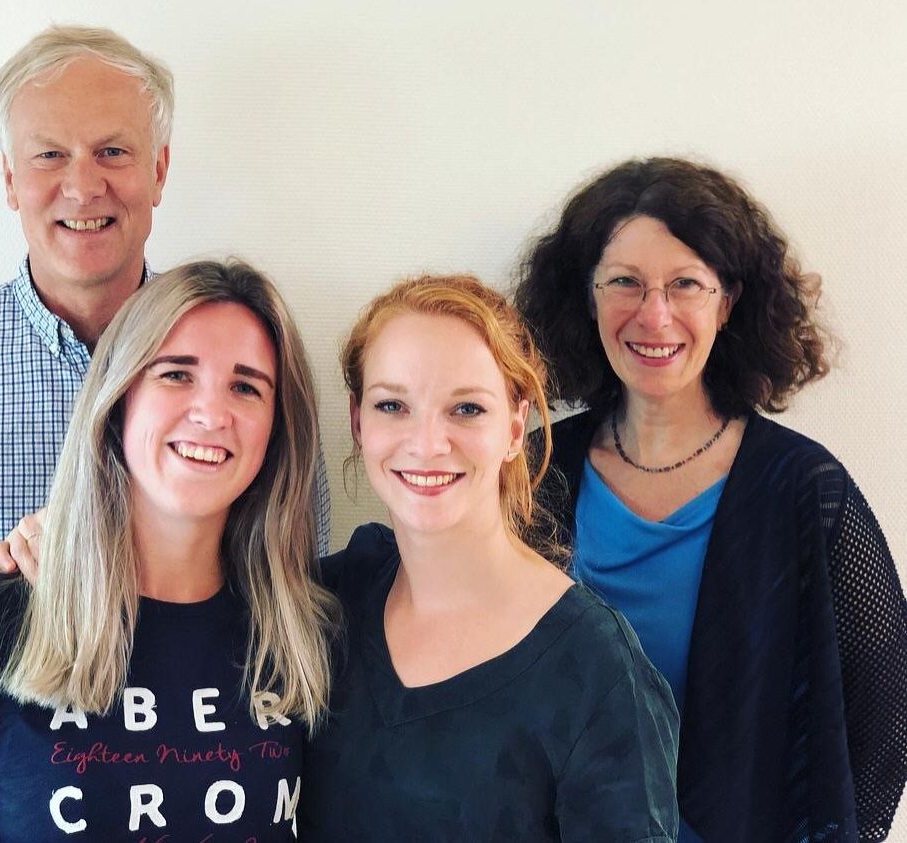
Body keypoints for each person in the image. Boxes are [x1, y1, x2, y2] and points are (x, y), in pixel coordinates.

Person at [0, 25, 330, 838]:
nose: (82, 186)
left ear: (159, 170)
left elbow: (294, 607)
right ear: (9, 177)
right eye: (50, 155)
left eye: (114, 153)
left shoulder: (245, 368)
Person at [515, 157, 907, 841]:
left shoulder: (801, 489)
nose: (653, 313)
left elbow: (883, 713)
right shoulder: (534, 470)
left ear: (726, 303)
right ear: (586, 297)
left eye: (685, 284)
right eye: (624, 282)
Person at [0, 260, 338, 841]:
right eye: (176, 374)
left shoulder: (305, 633)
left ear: (276, 429)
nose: (211, 413)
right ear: (119, 398)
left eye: (246, 387)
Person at [298, 276, 679, 840]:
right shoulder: (327, 603)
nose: (427, 443)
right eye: (392, 405)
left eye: (467, 409)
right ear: (358, 422)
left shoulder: (598, 671)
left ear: (515, 426)